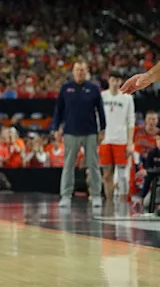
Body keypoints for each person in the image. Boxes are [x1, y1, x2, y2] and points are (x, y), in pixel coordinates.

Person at [52, 60, 105, 209]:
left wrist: (102, 129)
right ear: (73, 71)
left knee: (93, 165)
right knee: (68, 165)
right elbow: (59, 110)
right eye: (77, 70)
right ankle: (66, 196)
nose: (79, 72)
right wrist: (56, 128)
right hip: (70, 132)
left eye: (82, 70)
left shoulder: (94, 89)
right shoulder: (66, 88)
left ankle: (95, 195)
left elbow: (100, 111)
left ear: (86, 71)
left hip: (90, 132)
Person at [99, 72, 135, 201]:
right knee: (107, 175)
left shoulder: (127, 98)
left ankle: (123, 203)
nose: (115, 83)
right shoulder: (102, 96)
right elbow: (97, 118)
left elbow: (131, 120)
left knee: (122, 176)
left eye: (117, 80)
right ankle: (109, 202)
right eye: (113, 80)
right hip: (105, 140)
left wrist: (130, 143)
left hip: (121, 140)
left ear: (121, 82)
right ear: (109, 81)